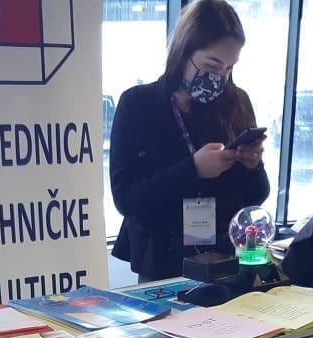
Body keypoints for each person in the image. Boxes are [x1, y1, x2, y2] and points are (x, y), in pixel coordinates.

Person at [109, 0, 270, 283]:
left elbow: (256, 196)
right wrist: (193, 169)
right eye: (212, 64)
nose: (220, 76)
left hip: (222, 260)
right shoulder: (138, 104)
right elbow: (126, 199)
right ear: (184, 52)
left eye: (229, 68)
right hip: (162, 263)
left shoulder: (236, 102)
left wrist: (252, 166)